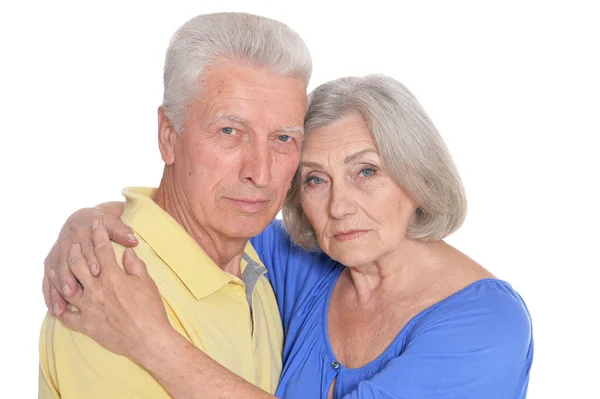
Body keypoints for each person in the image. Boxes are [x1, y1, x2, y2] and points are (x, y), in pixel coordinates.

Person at [43, 73, 534, 398]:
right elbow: (188, 221)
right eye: (316, 179)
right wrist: (91, 222)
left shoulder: (489, 325)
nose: (339, 206)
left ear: (418, 176)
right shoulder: (302, 261)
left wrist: (152, 341)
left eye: (366, 172)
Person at [38, 12, 312, 398]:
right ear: (168, 135)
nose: (260, 173)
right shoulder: (107, 291)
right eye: (229, 131)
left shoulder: (257, 269)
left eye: (283, 138)